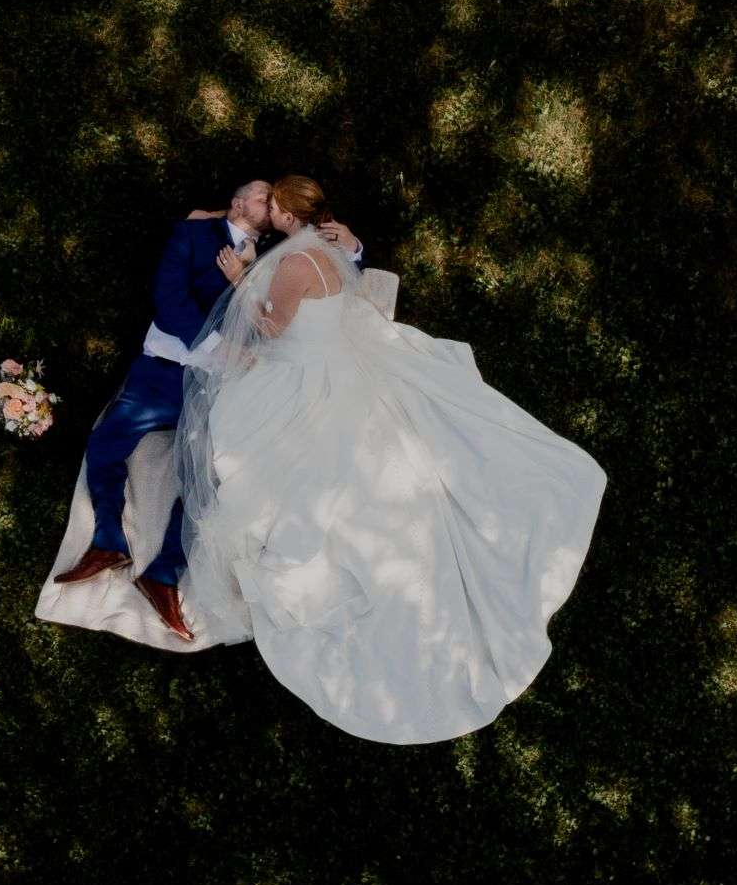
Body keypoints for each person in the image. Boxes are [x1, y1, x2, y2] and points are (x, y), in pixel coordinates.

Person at [174, 175, 608, 743]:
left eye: (274, 204)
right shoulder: (332, 245)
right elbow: (344, 275)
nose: (269, 209)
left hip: (306, 375)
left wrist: (239, 282)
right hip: (344, 359)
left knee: (250, 434)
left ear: (284, 214)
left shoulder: (290, 267)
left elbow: (271, 328)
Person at [44, 179, 363, 639]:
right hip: (170, 369)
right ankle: (108, 541)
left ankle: (164, 574)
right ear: (237, 203)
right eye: (262, 196)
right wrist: (221, 347)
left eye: (274, 200)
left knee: (213, 475)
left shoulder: (279, 244)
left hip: (232, 383)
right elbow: (170, 305)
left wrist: (353, 245)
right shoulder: (192, 236)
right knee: (107, 441)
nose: (269, 201)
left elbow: (332, 264)